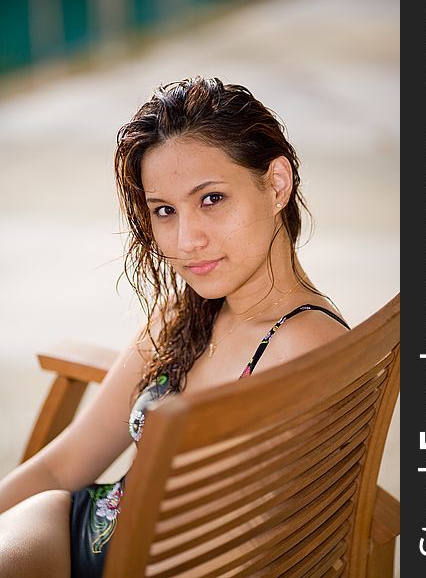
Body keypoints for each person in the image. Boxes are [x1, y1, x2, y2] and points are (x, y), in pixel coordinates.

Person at [0, 76, 349, 577]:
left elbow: (271, 546)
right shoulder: (180, 318)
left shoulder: (305, 347)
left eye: (211, 199)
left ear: (276, 184)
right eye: (165, 211)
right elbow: (63, 466)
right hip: (65, 530)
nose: (186, 240)